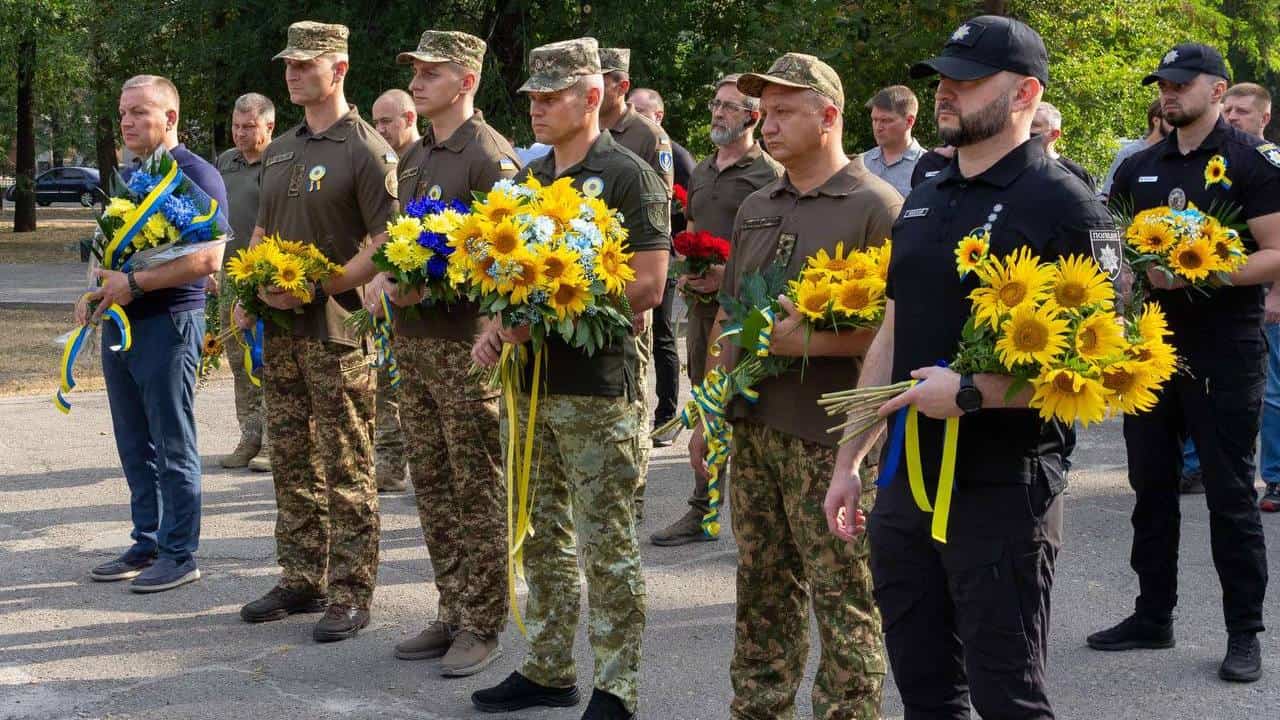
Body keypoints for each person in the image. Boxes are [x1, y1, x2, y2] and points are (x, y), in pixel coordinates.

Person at [827, 16, 1117, 719]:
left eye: (967, 79)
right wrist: (850, 457)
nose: (947, 92)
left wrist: (974, 392)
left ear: (1025, 94)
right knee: (927, 693)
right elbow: (895, 330)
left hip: (1002, 493)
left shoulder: (1064, 204)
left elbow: (1105, 371)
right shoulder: (927, 189)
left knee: (1008, 697)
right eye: (944, 79)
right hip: (905, 485)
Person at [692, 53, 902, 719]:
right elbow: (730, 316)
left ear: (830, 116)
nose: (767, 122)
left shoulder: (876, 208)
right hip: (756, 430)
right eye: (765, 109)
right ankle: (758, 708)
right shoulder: (759, 203)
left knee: (843, 597)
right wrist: (707, 412)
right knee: (760, 590)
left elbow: (897, 337)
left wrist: (805, 341)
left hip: (830, 440)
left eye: (784, 110)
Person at [469, 37, 669, 720]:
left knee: (605, 543)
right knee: (538, 533)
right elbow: (504, 281)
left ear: (592, 97)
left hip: (598, 389)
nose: (538, 109)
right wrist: (498, 323)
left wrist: (544, 315)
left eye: (552, 98)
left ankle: (618, 687)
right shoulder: (527, 181)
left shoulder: (628, 175)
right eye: (532, 98)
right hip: (531, 389)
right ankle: (550, 667)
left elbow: (646, 286)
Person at [1088, 42, 1280, 684]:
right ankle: (1153, 614)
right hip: (1147, 348)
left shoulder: (1250, 163)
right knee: (1151, 486)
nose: (1168, 93)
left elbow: (1276, 253)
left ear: (1218, 90)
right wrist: (1115, 286)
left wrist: (1208, 272)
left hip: (1226, 348)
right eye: (1162, 85)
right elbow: (1110, 248)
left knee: (1229, 495)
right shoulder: (1140, 165)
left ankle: (1244, 632)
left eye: (1181, 83)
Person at [234, 20, 400, 643]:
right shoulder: (282, 149)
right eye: (289, 64)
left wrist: (321, 286)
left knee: (347, 463)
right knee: (292, 459)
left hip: (336, 331)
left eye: (307, 64)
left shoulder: (365, 148)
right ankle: (302, 575)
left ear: (340, 70)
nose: (293, 73)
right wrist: (248, 292)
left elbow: (387, 244)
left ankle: (351, 591)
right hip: (281, 330)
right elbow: (261, 232)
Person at [364, 28, 520, 677]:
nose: (418, 80)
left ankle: (484, 623)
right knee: (432, 484)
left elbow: (511, 261)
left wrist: (426, 277)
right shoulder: (418, 155)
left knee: (476, 486)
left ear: (467, 81)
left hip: (466, 351)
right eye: (415, 71)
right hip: (416, 346)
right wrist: (384, 275)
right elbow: (406, 240)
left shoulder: (490, 157)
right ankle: (452, 607)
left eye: (432, 72)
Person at [83, 75, 229, 593]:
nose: (126, 121)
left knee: (171, 442)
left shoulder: (194, 174)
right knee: (132, 442)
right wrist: (99, 291)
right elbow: (118, 253)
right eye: (123, 112)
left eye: (139, 112)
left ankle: (179, 552)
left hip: (170, 322)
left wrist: (135, 283)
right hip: (124, 323)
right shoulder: (131, 175)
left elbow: (209, 258)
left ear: (170, 118)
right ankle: (147, 541)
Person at [649, 74, 782, 547]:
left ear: (752, 116)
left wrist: (726, 274)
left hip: (746, 312)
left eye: (728, 107)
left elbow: (774, 253)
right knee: (704, 401)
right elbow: (692, 229)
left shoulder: (769, 174)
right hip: (703, 309)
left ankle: (759, 522)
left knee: (742, 404)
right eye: (715, 103)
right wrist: (687, 268)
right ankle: (702, 510)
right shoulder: (702, 170)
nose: (717, 113)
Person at [1221, 82, 1280, 511]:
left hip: (1268, 290)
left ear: (1264, 118)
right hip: (1233, 297)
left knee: (1274, 392)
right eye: (1228, 110)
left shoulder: (1270, 162)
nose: (1232, 117)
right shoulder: (1220, 162)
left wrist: (1277, 293)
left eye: (1242, 111)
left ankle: (1274, 478)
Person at [628, 85, 694, 443]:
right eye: (630, 109)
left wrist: (683, 259)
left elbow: (686, 211)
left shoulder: (675, 156)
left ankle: (667, 415)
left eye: (641, 110)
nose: (634, 115)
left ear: (659, 115)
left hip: (663, 254)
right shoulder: (623, 144)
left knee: (664, 335)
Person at [367, 87, 423, 493]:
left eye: (387, 121)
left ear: (409, 118)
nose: (380, 128)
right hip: (385, 293)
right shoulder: (381, 164)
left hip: (425, 295)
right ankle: (388, 462)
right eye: (376, 121)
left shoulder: (424, 160)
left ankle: (416, 461)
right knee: (386, 377)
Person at [216, 93, 274, 473]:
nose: (240, 133)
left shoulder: (281, 161)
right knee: (238, 362)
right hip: (229, 275)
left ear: (269, 126)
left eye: (249, 126)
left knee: (267, 360)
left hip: (267, 276)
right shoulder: (225, 162)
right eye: (237, 126)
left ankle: (272, 440)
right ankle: (249, 436)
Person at [860, 84, 925, 197]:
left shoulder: (927, 167)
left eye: (885, 120)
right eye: (875, 120)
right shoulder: (861, 163)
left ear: (909, 121)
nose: (878, 127)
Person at [1101, 99, 1170, 199]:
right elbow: (1106, 195)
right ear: (1156, 121)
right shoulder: (1129, 154)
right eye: (1170, 119)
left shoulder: (1176, 154)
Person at [1031, 101, 1096, 190]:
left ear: (1054, 134)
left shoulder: (1076, 174)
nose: (1027, 129)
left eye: (1034, 125)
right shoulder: (1013, 167)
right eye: (1026, 123)